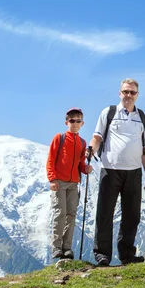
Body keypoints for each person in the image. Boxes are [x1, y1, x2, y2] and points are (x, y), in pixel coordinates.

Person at [86, 78, 145, 266]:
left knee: (132, 215)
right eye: (126, 92)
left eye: (132, 92)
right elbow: (97, 137)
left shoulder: (143, 116)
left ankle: (127, 255)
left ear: (137, 95)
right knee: (104, 213)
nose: (129, 95)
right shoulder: (108, 113)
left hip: (134, 171)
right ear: (119, 93)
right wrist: (90, 149)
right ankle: (102, 255)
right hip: (110, 169)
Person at [46, 107, 93, 260]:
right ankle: (57, 247)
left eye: (78, 121)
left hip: (74, 183)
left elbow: (80, 163)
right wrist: (52, 179)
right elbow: (51, 159)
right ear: (67, 122)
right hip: (59, 182)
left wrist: (86, 168)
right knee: (60, 214)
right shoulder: (59, 138)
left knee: (71, 215)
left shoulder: (82, 142)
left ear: (82, 123)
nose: (75, 123)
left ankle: (67, 248)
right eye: (72, 121)